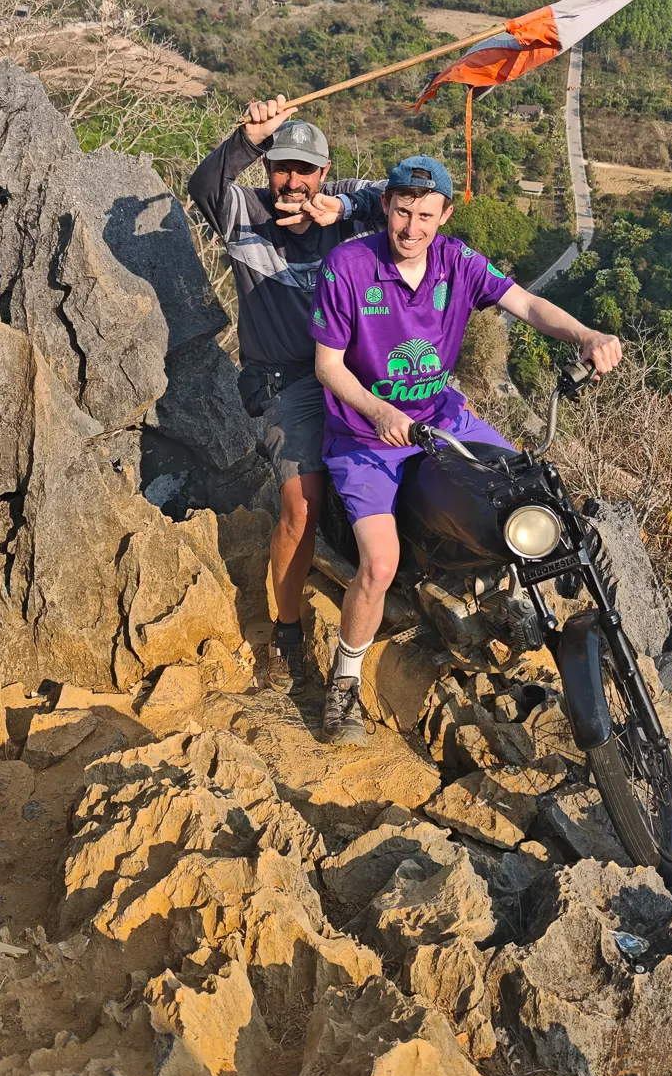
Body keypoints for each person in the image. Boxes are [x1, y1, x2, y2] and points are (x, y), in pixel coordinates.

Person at [311, 154, 623, 746]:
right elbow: (328, 366)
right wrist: (379, 412)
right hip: (364, 436)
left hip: (442, 417)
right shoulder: (347, 266)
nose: (411, 228)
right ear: (385, 207)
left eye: (426, 216)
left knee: (529, 490)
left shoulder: (457, 262)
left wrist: (587, 333)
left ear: (445, 215)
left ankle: (523, 602)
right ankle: (346, 676)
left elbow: (526, 305)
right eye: (402, 212)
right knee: (379, 564)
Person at [188, 93, 383, 689]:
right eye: (281, 167)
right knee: (301, 505)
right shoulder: (244, 211)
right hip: (285, 381)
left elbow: (402, 196)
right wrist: (250, 137)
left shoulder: (346, 215)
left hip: (352, 372)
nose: (292, 181)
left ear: (325, 173)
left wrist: (343, 206)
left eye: (305, 169)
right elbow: (203, 184)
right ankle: (288, 634)